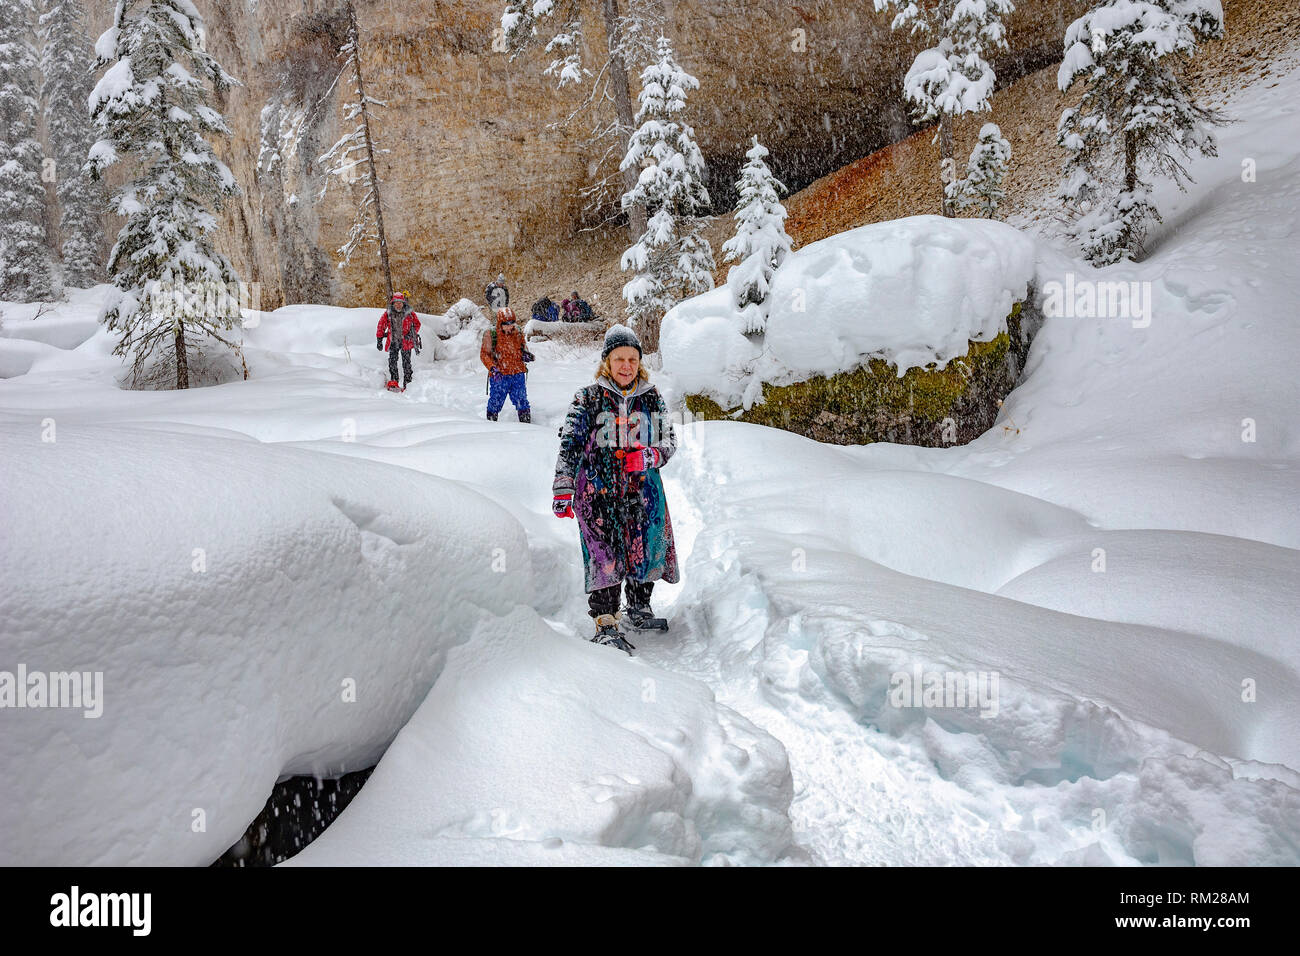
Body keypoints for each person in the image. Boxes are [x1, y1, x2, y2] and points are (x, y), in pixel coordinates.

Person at [552, 325, 678, 652]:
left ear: (640, 362)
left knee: (645, 547)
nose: (626, 365)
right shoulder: (588, 397)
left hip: (642, 491)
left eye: (632, 359)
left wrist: (652, 455)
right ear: (607, 361)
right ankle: (606, 622)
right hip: (597, 492)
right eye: (619, 358)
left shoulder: (651, 397)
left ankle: (638, 608)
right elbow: (570, 445)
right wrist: (563, 488)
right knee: (604, 553)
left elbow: (669, 440)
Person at [480, 307, 532, 422]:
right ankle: (491, 425)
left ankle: (528, 427)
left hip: (518, 373)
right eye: (506, 324)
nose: (509, 326)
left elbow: (523, 347)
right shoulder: (491, 334)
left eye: (511, 323)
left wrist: (526, 355)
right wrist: (492, 368)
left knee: (522, 401)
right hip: (500, 375)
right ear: (500, 323)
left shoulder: (517, 332)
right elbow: (484, 355)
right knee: (495, 402)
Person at [375, 290, 421, 390]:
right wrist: (379, 339)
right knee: (392, 361)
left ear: (403, 303)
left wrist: (411, 333)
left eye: (400, 302)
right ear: (393, 303)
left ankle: (407, 383)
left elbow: (417, 324)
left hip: (406, 342)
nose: (398, 304)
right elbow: (381, 325)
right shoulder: (388, 313)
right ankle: (394, 380)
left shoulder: (410, 313)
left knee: (406, 363)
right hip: (393, 341)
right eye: (396, 302)